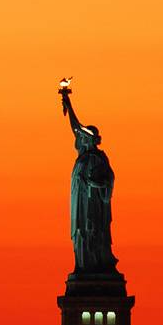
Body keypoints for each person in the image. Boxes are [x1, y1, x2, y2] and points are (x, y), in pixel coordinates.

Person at [61, 87, 117, 273]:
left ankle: (96, 262)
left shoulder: (99, 158)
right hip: (79, 202)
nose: (81, 138)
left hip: (93, 205)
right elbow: (75, 126)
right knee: (80, 232)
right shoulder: (83, 155)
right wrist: (67, 102)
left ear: (90, 140)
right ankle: (83, 264)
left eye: (84, 137)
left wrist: (98, 185)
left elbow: (109, 179)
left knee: (92, 230)